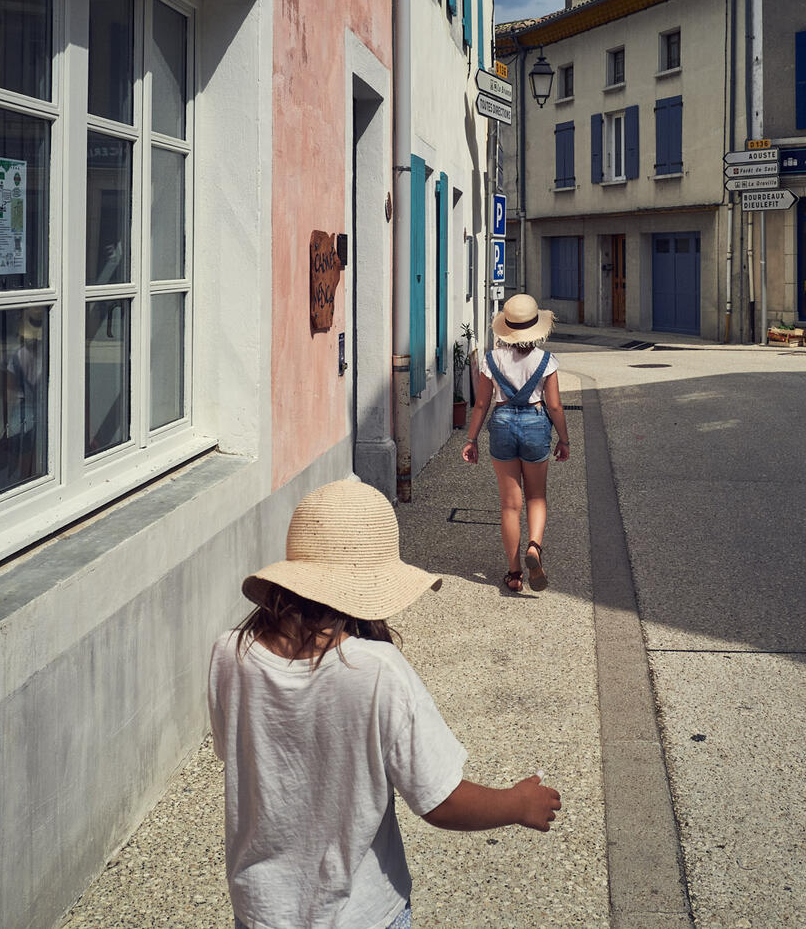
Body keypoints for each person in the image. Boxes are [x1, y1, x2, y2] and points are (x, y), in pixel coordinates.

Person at [208, 479, 562, 929]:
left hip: (259, 911)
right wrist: (516, 803)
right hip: (360, 914)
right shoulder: (377, 671)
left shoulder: (229, 652)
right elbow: (439, 801)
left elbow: (239, 755)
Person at [461, 294, 571, 594]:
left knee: (510, 505)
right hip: (536, 424)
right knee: (537, 497)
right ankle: (534, 547)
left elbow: (481, 404)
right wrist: (564, 439)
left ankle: (514, 573)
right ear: (536, 328)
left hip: (502, 424)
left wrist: (471, 439)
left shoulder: (491, 360)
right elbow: (556, 406)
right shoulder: (546, 361)